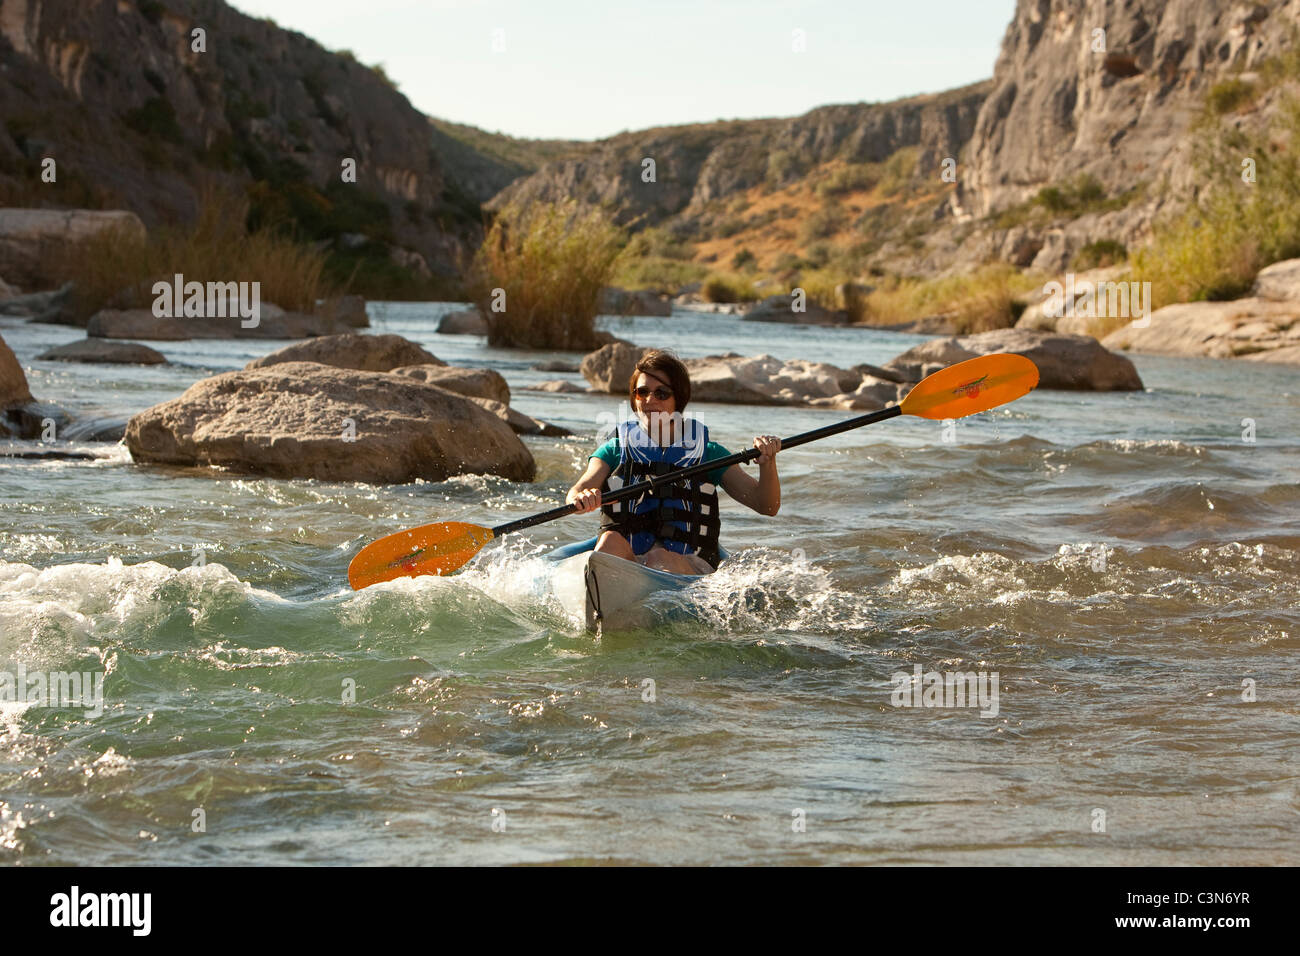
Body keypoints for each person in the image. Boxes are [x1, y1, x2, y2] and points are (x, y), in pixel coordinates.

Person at [565, 349, 781, 575]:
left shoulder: (709, 454)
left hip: (691, 562)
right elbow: (577, 491)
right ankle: (605, 594)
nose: (649, 400)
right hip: (631, 560)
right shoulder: (613, 450)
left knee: (659, 557)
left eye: (661, 393)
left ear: (678, 398)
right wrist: (581, 498)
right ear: (634, 397)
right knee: (609, 541)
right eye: (642, 392)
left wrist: (768, 463)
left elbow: (766, 505)